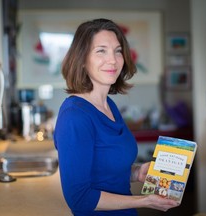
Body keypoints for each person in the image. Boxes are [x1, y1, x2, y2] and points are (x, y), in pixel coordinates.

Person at [53, 18, 179, 216]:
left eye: (118, 51)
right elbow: (79, 198)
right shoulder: (74, 117)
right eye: (101, 50)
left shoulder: (108, 105)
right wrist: (145, 200)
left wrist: (138, 172)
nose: (113, 59)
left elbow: (103, 171)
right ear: (82, 60)